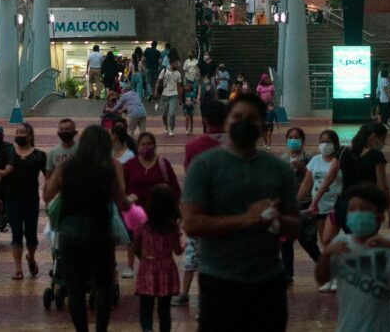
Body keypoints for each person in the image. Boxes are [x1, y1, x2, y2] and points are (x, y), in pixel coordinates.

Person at [182, 93, 300, 331]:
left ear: (263, 125)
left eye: (252, 118)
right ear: (227, 122)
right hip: (219, 280)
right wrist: (245, 220)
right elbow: (192, 223)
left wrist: (277, 219)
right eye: (237, 116)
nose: (244, 122)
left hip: (268, 281)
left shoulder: (279, 170)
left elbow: (295, 225)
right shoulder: (205, 166)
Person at [44, 125, 133, 332]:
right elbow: (122, 203)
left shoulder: (66, 167)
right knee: (103, 287)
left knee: (74, 290)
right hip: (99, 231)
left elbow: (47, 195)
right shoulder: (108, 169)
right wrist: (133, 204)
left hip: (70, 231)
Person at [316, 182, 390, 332]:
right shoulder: (340, 244)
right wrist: (326, 254)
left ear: (380, 216)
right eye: (352, 210)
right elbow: (321, 279)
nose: (356, 214)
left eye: (363, 210)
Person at [173, 101, 227, 308]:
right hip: (228, 210)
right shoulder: (237, 144)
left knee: (193, 251)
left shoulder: (194, 146)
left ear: (205, 121)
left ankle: (185, 292)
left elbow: (189, 175)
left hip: (200, 209)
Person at [311, 122, 390, 234]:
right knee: (364, 243)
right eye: (382, 139)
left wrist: (314, 202)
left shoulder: (342, 151)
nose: (383, 143)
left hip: (345, 205)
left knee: (344, 241)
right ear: (373, 137)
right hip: (367, 206)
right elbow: (383, 187)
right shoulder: (377, 155)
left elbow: (329, 178)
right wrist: (389, 210)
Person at [123, 132, 182, 278]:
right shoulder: (131, 164)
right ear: (138, 146)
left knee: (161, 247)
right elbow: (122, 188)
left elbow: (175, 189)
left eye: (149, 143)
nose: (146, 147)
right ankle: (147, 268)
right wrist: (127, 200)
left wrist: (175, 211)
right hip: (136, 216)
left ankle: (159, 273)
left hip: (160, 215)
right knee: (136, 244)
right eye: (143, 144)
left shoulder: (163, 164)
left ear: (155, 145)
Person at [1, 122, 47, 280]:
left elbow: (48, 176)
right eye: (17, 132)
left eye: (23, 133)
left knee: (31, 235)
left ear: (30, 135)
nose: (19, 135)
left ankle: (31, 257)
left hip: (31, 200)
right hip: (12, 199)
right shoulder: (10, 152)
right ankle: (18, 268)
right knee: (16, 234)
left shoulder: (39, 155)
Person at [135, 184, 183, 332]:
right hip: (166, 269)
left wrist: (143, 257)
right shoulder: (172, 228)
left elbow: (136, 246)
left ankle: (147, 329)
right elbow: (178, 251)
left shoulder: (144, 225)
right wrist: (183, 244)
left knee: (146, 307)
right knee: (164, 310)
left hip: (147, 267)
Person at [301, 129, 343, 291]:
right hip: (319, 208)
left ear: (335, 144)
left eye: (328, 141)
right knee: (325, 243)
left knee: (331, 241)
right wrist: (296, 202)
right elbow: (306, 183)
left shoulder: (340, 160)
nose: (324, 145)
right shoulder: (315, 161)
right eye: (321, 141)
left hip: (335, 207)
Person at [281, 127, 321, 284]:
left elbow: (315, 180)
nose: (293, 140)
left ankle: (323, 267)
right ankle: (287, 274)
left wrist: (303, 169)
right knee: (285, 242)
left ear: (303, 141)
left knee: (307, 241)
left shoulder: (310, 159)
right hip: (287, 207)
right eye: (290, 137)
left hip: (306, 205)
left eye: (297, 137)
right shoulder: (283, 159)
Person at [157, 58, 183, 136]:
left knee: (172, 113)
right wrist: (156, 92)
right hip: (164, 95)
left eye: (178, 63)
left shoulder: (178, 73)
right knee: (164, 114)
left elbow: (179, 86)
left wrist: (180, 98)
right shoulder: (164, 71)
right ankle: (165, 125)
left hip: (174, 95)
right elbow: (158, 82)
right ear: (171, 63)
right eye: (176, 63)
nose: (177, 65)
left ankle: (171, 129)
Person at [256, 74, 276, 147]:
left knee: (269, 122)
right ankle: (265, 140)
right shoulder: (259, 86)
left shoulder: (271, 86)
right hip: (262, 105)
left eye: (268, 78)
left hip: (269, 104)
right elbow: (257, 95)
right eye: (265, 78)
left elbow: (273, 94)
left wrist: (273, 102)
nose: (267, 79)